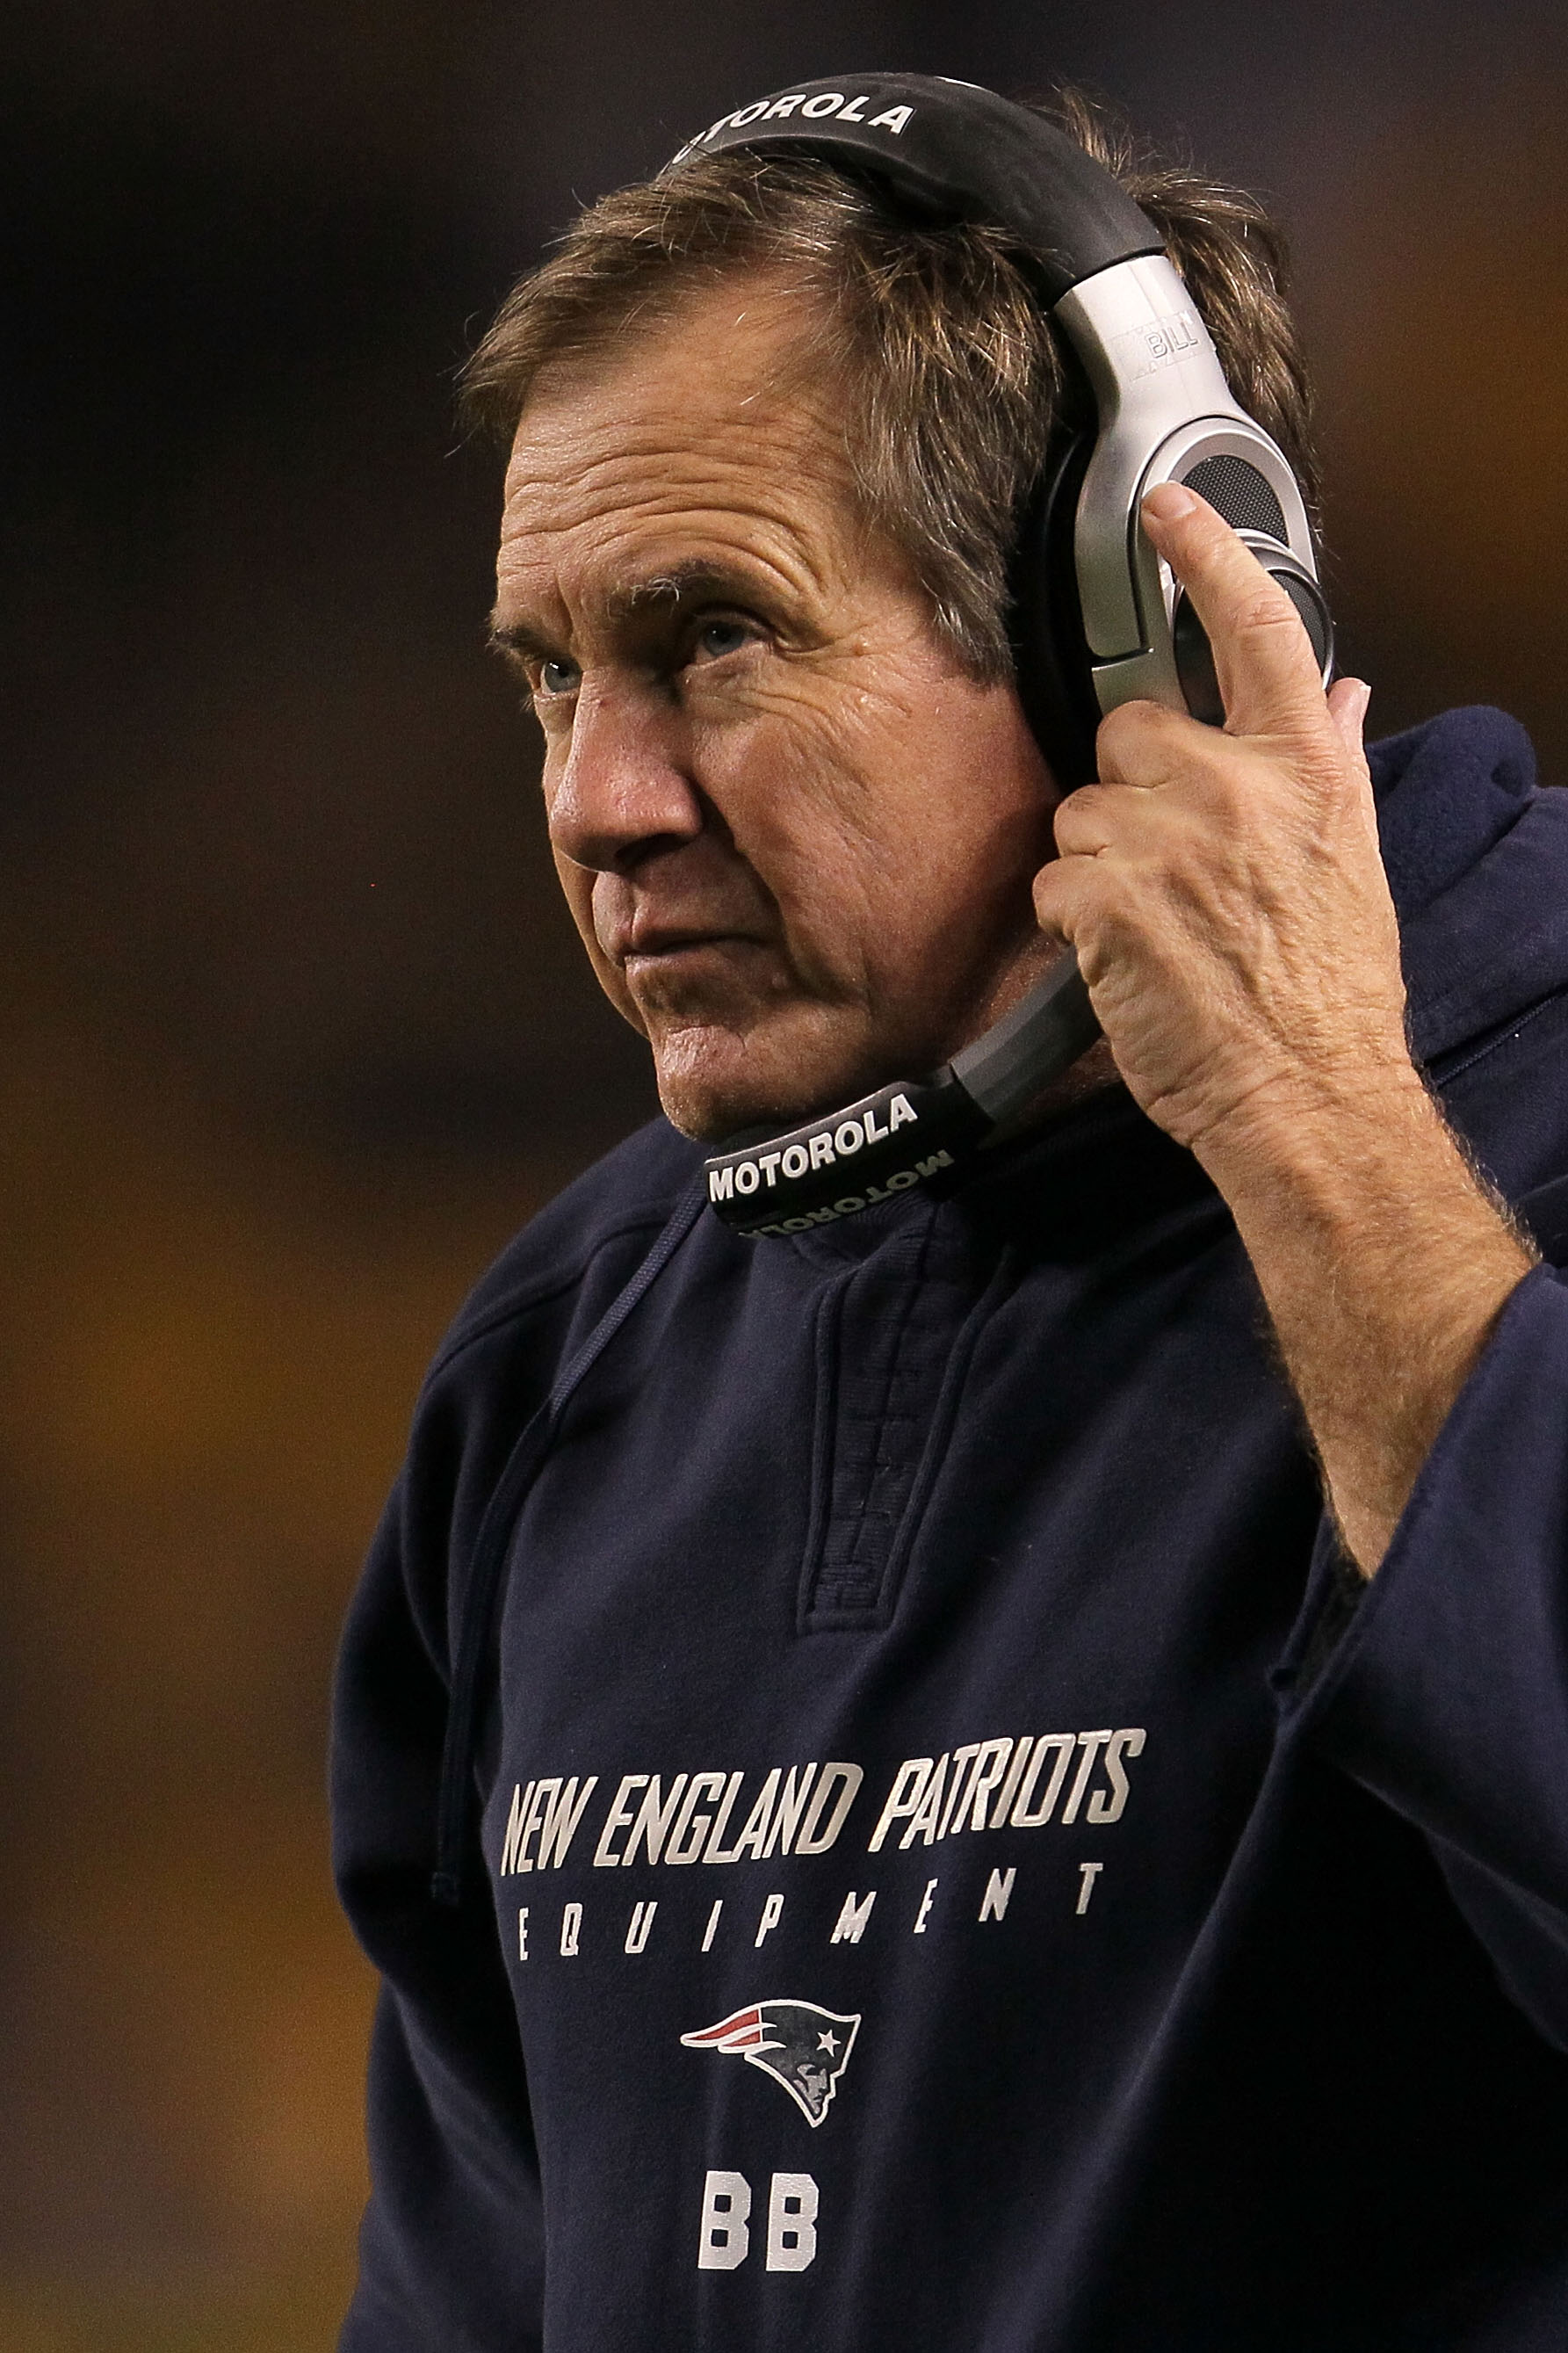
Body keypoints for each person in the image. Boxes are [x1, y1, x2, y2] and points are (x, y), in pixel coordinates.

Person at [331, 77, 1568, 2352]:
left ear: (1159, 628)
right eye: (547, 676)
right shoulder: (558, 1362)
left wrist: (1317, 1140)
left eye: (711, 636)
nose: (598, 803)